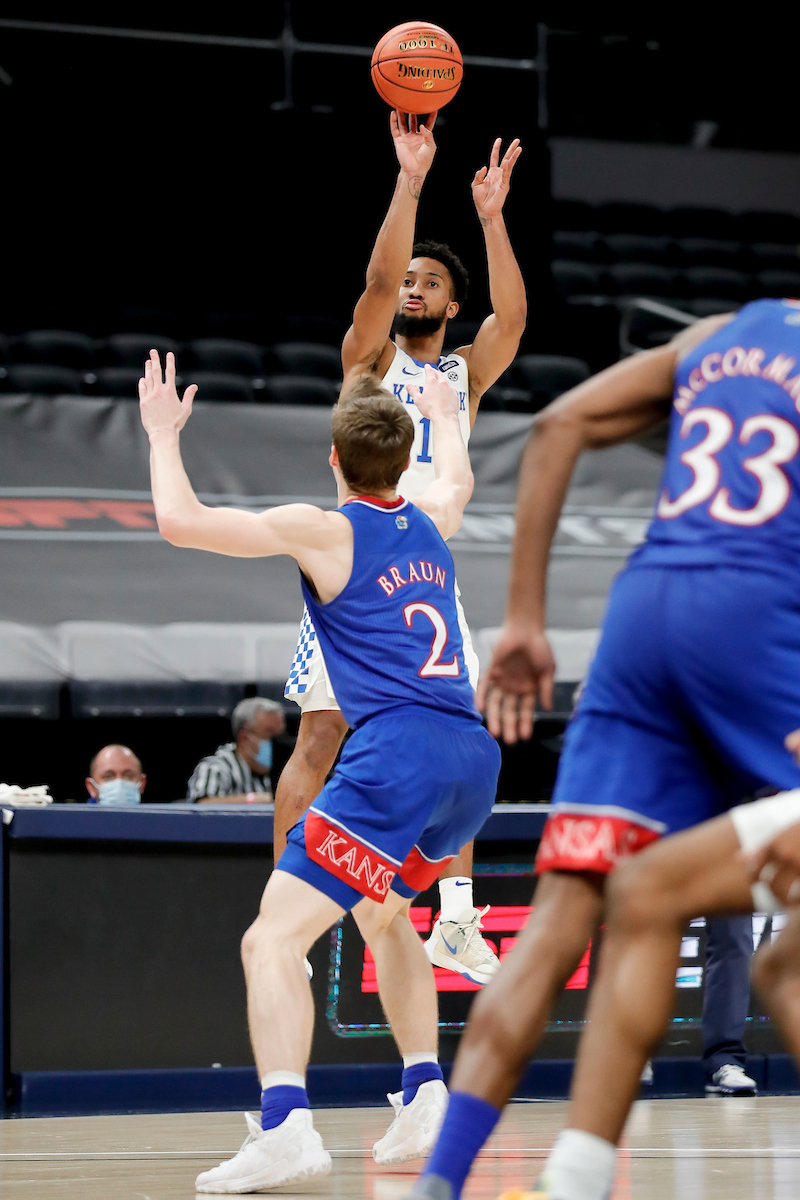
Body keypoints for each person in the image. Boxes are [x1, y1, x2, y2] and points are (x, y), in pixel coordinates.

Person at [407, 297, 800, 1200]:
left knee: (574, 920)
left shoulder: (717, 337)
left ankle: (449, 1182)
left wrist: (526, 623)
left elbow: (556, 423)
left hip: (645, 617)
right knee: (787, 949)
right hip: (760, 619)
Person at [138, 350, 500, 1192]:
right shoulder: (431, 518)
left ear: (333, 460)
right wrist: (447, 412)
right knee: (386, 914)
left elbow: (180, 522)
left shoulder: (328, 527)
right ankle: (426, 1090)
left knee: (271, 939)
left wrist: (162, 435)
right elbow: (460, 481)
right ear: (402, 461)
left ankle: (285, 1124)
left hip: (398, 755)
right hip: (469, 762)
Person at [276, 110, 525, 986]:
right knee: (320, 736)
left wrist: (493, 218)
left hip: (426, 559)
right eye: (410, 277)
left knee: (448, 730)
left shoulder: (461, 373)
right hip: (355, 560)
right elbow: (379, 275)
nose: (414, 286)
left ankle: (452, 919)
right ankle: (288, 909)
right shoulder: (368, 361)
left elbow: (515, 318)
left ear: (452, 305)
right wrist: (410, 182)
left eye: (430, 281)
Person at [187, 696, 285, 804]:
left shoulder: (272, 773)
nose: (276, 744)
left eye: (279, 736)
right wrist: (253, 800)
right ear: (244, 738)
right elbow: (203, 806)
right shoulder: (215, 768)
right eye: (270, 735)